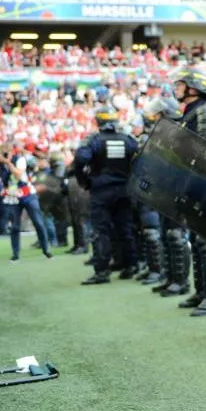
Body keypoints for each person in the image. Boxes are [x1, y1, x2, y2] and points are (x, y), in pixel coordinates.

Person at [169, 69, 206, 316]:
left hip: (204, 182)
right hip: (191, 182)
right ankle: (202, 291)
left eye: (182, 84)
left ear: (194, 88)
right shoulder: (190, 112)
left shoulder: (204, 111)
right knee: (196, 238)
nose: (177, 88)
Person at [75, 106, 139, 284]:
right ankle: (130, 266)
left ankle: (102, 271)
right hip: (125, 190)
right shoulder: (128, 139)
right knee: (125, 229)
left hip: (102, 191)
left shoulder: (94, 140)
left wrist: (85, 181)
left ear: (98, 122)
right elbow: (141, 159)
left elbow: (80, 159)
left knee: (101, 231)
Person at [139, 96, 184, 287]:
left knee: (175, 237)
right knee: (166, 236)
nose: (154, 118)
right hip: (161, 192)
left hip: (174, 192)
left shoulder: (177, 135)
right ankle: (170, 277)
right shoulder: (161, 135)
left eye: (158, 114)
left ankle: (180, 281)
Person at [0, 141, 52, 262]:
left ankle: (46, 249)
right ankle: (15, 253)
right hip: (14, 196)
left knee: (38, 222)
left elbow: (18, 174)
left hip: (28, 193)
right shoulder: (3, 164)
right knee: (15, 226)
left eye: (7, 152)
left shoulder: (20, 160)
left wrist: (8, 162)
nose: (6, 154)